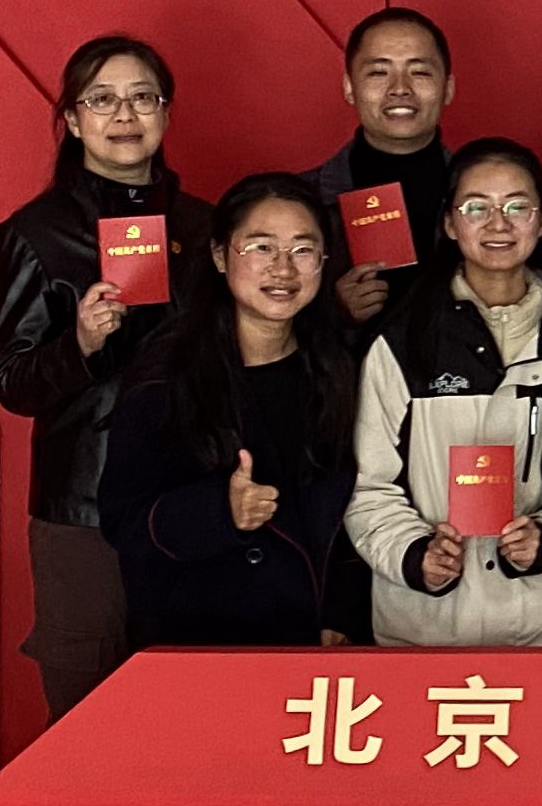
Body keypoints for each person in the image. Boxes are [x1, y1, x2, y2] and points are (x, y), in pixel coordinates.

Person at [0, 35, 213, 719]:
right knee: (85, 705)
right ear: (73, 119)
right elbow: (13, 381)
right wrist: (82, 343)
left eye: (143, 97)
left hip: (191, 494)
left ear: (166, 113)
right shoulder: (36, 233)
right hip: (83, 506)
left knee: (189, 701)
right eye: (102, 100)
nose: (124, 114)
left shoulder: (207, 227)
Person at [347, 138, 542, 647]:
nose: (498, 224)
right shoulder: (403, 341)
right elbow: (368, 487)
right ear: (449, 223)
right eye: (476, 208)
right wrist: (414, 554)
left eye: (517, 207)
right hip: (423, 629)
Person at [98, 173, 369, 648]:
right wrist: (218, 511)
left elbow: (353, 510)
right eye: (261, 248)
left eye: (303, 250)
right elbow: (123, 521)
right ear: (221, 256)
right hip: (202, 640)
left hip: (313, 639)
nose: (283, 269)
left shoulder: (339, 366)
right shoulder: (168, 375)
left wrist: (341, 612)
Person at [312, 7, 458, 330]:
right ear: (349, 87)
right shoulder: (304, 201)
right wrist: (332, 312)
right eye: (378, 73)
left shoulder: (485, 197)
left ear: (448, 88)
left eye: (420, 72)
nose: (400, 88)